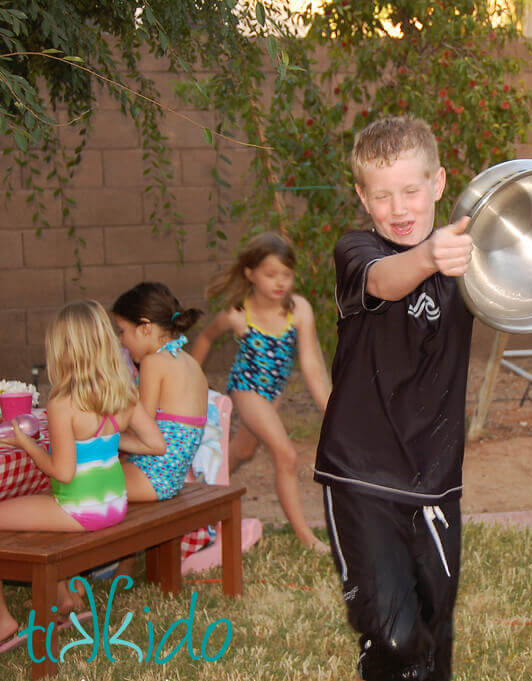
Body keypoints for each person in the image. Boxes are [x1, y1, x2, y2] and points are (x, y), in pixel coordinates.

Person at [314, 115, 532, 681]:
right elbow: (387, 281)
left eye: (411, 190)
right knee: (392, 633)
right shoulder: (358, 252)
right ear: (362, 198)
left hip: (437, 478)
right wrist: (430, 256)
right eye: (383, 195)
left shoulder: (473, 257)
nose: (399, 207)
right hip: (361, 476)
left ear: (438, 184)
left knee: (436, 631)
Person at [0, 300, 165, 650]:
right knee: (40, 500)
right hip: (113, 505)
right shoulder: (123, 393)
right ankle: (66, 595)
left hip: (80, 512)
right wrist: (110, 440)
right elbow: (156, 444)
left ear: (63, 349)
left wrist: (24, 443)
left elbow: (62, 470)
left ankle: (3, 620)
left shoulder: (63, 403)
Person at [192, 232, 332, 551]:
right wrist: (190, 380)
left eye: (286, 274)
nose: (280, 282)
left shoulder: (299, 310)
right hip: (246, 389)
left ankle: (197, 498)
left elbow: (312, 365)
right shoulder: (238, 314)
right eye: (271, 274)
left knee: (242, 451)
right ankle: (306, 538)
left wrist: (330, 410)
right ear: (250, 274)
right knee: (286, 455)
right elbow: (205, 339)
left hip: (273, 393)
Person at [112, 282, 209, 503]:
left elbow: (141, 427)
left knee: (74, 484)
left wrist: (103, 431)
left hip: (150, 476)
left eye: (122, 330)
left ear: (145, 327)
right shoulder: (190, 362)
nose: (121, 340)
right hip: (170, 480)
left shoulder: (153, 362)